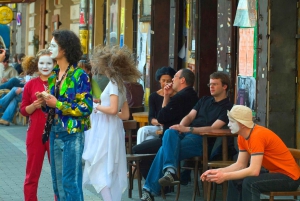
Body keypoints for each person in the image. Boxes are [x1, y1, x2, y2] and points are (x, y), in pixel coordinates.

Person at [140, 71, 233, 201]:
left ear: (225, 87)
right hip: (186, 136)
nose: (211, 87)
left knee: (164, 149)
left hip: (203, 141)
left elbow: (214, 128)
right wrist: (181, 128)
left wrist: (188, 129)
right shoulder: (204, 100)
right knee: (170, 131)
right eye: (210, 84)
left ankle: (150, 189)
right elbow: (189, 116)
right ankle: (169, 172)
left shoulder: (228, 107)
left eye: (215, 84)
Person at [36, 30, 93, 201]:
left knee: (70, 182)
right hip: (55, 131)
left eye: (54, 45)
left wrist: (57, 104)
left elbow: (86, 107)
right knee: (58, 183)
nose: (49, 48)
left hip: (72, 134)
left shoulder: (79, 75)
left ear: (65, 50)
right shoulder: (54, 75)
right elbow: (53, 108)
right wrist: (45, 102)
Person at [200, 105, 300, 201]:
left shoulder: (257, 135)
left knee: (250, 182)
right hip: (274, 173)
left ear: (242, 124)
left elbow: (254, 171)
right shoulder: (242, 136)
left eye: (231, 121)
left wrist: (225, 176)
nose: (228, 124)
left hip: (290, 178)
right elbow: (240, 165)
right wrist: (219, 172)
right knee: (235, 179)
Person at [82, 45, 142, 201]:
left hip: (105, 129)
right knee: (107, 168)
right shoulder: (120, 84)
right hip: (113, 127)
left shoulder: (114, 83)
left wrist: (96, 107)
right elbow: (125, 114)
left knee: (98, 166)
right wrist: (102, 105)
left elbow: (113, 110)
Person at [133, 68, 198, 180]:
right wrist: (167, 96)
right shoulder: (192, 95)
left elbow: (161, 117)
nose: (172, 81)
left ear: (182, 80)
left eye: (174, 78)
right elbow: (158, 117)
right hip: (173, 135)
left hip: (173, 138)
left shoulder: (180, 97)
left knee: (138, 150)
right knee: (147, 140)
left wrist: (167, 97)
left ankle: (156, 184)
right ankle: (161, 182)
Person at [20, 49, 55, 201]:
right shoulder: (30, 84)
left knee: (57, 174)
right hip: (35, 133)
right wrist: (34, 105)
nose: (45, 66)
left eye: (49, 63)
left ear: (55, 63)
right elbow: (23, 110)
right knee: (32, 174)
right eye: (41, 63)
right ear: (36, 64)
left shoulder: (60, 82)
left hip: (55, 132)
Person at [136, 66, 176, 144]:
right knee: (142, 130)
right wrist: (159, 121)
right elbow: (151, 118)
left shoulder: (177, 96)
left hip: (171, 127)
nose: (166, 83)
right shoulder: (154, 96)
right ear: (159, 81)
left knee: (149, 139)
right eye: (163, 80)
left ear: (172, 81)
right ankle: (138, 153)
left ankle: (140, 154)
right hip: (157, 127)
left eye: (168, 81)